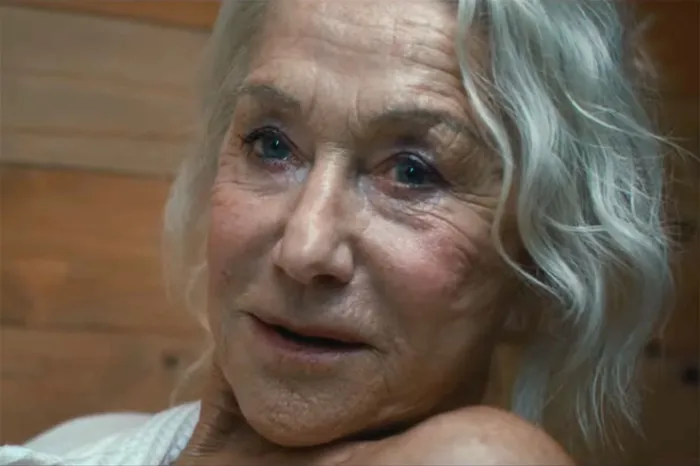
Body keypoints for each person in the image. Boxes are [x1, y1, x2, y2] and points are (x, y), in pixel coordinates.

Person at [1, 0, 672, 464]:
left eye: (412, 172)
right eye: (271, 145)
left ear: (541, 263)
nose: (305, 248)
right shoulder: (78, 444)